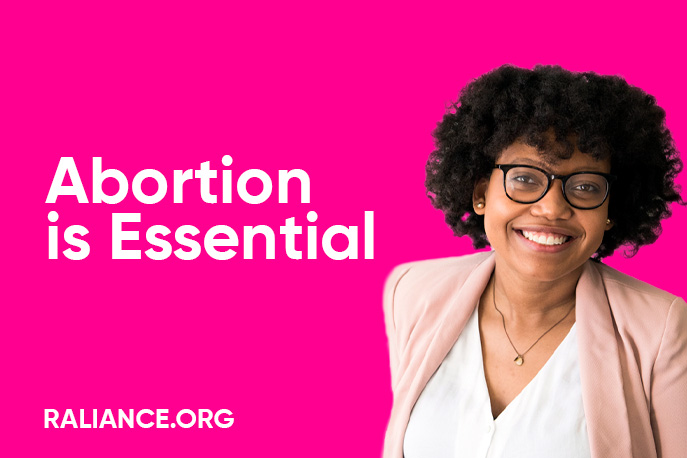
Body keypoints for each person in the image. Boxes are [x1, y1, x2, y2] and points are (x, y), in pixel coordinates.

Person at [383, 65, 686, 458]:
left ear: (611, 209)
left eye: (585, 186)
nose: (551, 208)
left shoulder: (658, 329)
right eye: (525, 178)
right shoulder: (413, 292)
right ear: (481, 193)